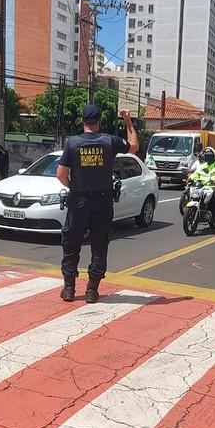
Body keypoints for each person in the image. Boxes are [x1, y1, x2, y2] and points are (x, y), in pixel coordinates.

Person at [56, 105, 138, 304]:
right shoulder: (110, 141)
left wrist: (74, 188)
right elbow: (134, 145)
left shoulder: (72, 143)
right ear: (100, 121)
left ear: (82, 121)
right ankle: (92, 290)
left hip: (79, 200)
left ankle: (69, 288)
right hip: (103, 200)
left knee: (71, 242)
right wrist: (127, 120)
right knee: (99, 244)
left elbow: (60, 174)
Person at [187, 147, 215, 214]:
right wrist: (190, 178)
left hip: (214, 188)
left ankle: (214, 214)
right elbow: (196, 173)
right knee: (189, 192)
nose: (208, 158)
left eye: (210, 156)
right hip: (202, 187)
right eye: (206, 156)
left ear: (214, 157)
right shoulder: (202, 166)